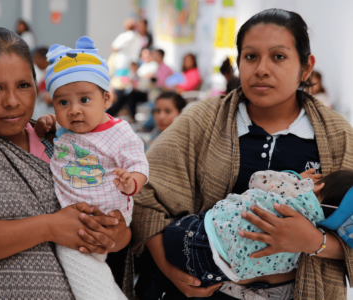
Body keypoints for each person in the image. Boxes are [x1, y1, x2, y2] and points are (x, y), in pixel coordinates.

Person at [133, 8, 353, 300]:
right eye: (250, 57)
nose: (262, 68)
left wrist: (315, 241)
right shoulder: (201, 120)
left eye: (278, 56)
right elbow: (145, 194)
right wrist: (171, 269)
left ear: (306, 67)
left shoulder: (338, 136)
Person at [0, 27, 133, 299]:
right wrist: (48, 227)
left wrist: (114, 236)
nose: (12, 101)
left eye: (24, 85)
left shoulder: (62, 139)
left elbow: (120, 226)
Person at [34, 36, 149, 300]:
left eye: (84, 100)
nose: (74, 111)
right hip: (78, 217)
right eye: (63, 103)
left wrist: (132, 181)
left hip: (108, 215)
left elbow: (139, 163)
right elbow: (55, 129)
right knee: (86, 262)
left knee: (79, 263)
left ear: (106, 99)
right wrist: (48, 122)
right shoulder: (64, 129)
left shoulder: (119, 133)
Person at [163, 168, 353, 291]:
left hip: (200, 233)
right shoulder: (310, 238)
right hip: (218, 271)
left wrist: (295, 179)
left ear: (318, 187)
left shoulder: (296, 191)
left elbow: (257, 180)